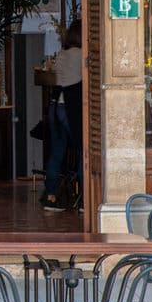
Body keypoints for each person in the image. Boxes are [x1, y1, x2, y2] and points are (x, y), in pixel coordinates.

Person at [41, 24, 83, 211]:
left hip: (56, 105)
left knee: (57, 152)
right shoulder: (82, 55)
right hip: (73, 108)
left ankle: (50, 197)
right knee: (84, 151)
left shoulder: (61, 54)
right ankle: (84, 200)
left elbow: (57, 78)